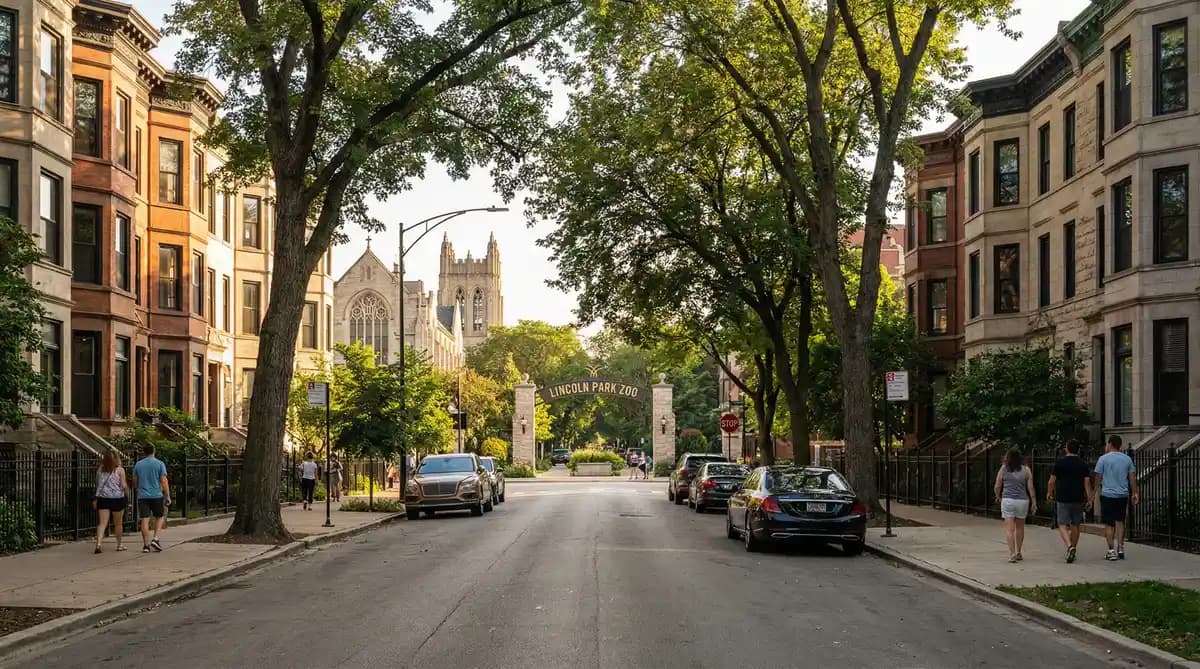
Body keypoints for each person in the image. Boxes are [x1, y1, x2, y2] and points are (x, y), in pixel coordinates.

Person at [1047, 439, 1093, 563]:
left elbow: (1051, 481)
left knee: (1062, 524)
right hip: (1078, 497)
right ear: (1078, 450)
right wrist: (1089, 499)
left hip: (1063, 497)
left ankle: (1069, 546)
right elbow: (1087, 484)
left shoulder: (1060, 462)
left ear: (1067, 449)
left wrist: (1049, 492)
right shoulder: (1083, 464)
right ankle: (1073, 548)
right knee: (1075, 524)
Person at [1095, 435, 1138, 561]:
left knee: (1109, 524)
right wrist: (1134, 493)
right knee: (1120, 521)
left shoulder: (1103, 459)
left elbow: (1098, 478)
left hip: (1107, 494)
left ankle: (1111, 550)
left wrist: (1092, 495)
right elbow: (1132, 477)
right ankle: (1120, 547)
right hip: (1122, 495)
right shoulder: (1127, 459)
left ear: (1110, 444)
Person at [993, 448, 1037, 563]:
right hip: (1022, 501)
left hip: (1008, 500)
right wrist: (1034, 502)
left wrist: (997, 496)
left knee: (1009, 529)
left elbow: (997, 484)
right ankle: (1019, 552)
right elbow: (1031, 487)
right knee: (1020, 527)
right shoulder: (1026, 469)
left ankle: (1012, 554)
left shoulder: (1004, 468)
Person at [131, 444, 171, 554]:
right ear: (154, 451)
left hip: (143, 495)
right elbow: (164, 480)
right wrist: (167, 495)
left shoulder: (138, 464)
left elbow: (134, 480)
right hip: (156, 495)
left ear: (144, 452)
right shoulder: (159, 464)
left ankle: (146, 545)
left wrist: (138, 488)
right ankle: (156, 539)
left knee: (145, 519)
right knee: (160, 516)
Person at [93, 450, 129, 554]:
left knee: (102, 523)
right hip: (117, 498)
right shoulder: (120, 470)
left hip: (103, 498)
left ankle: (99, 543)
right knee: (118, 524)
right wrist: (126, 492)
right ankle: (119, 545)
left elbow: (98, 484)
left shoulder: (100, 470)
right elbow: (123, 485)